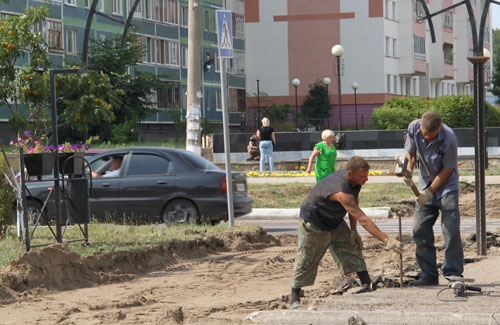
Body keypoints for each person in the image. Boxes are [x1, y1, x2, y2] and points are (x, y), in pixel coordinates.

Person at [289, 156, 403, 309]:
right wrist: (386, 240)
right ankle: (294, 296)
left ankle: (367, 283)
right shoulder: (341, 190)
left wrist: (353, 231)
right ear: (350, 174)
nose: (366, 179)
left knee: (352, 247)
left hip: (335, 220)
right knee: (306, 258)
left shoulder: (354, 182)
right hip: (314, 222)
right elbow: (361, 216)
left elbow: (355, 203)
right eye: (363, 176)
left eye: (367, 175)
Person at [403, 111, 463, 286]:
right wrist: (409, 170)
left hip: (447, 188)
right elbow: (411, 153)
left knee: (450, 230)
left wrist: (429, 192)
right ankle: (428, 274)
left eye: (431, 136)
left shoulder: (449, 138)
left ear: (439, 129)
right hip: (424, 183)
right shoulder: (414, 128)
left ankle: (453, 273)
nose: (427, 139)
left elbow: (447, 170)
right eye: (424, 135)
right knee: (419, 229)